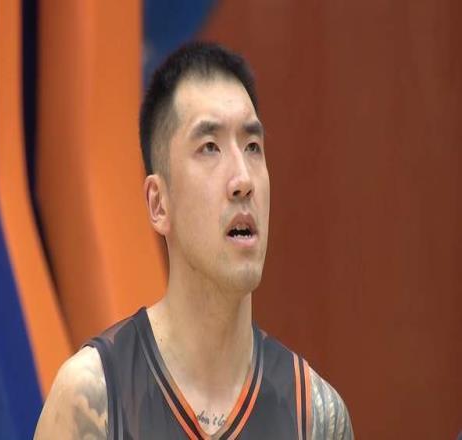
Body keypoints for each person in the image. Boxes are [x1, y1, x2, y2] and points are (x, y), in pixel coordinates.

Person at [34, 42, 354, 440]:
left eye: (253, 147)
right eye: (210, 147)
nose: (243, 180)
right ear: (158, 203)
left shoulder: (316, 416)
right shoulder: (93, 398)